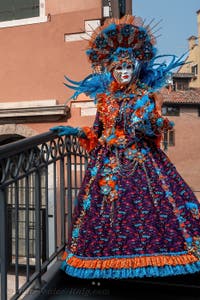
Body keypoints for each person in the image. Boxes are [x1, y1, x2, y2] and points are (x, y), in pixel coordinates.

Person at [50, 15, 200, 279]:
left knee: (150, 213)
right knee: (106, 214)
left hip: (140, 162)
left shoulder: (146, 97)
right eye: (119, 68)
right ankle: (106, 262)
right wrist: (73, 131)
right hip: (107, 164)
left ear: (136, 68)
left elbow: (156, 127)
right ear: (111, 71)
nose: (124, 72)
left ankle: (148, 260)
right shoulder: (105, 100)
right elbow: (97, 132)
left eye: (128, 67)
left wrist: (150, 123)